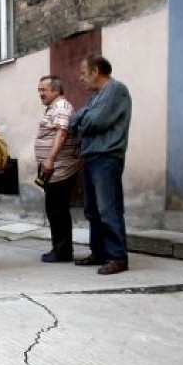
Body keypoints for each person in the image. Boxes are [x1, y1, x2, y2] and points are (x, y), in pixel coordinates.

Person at [70, 54, 133, 275]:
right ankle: (99, 252)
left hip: (107, 156)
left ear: (96, 71)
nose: (81, 78)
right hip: (92, 156)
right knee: (93, 210)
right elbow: (75, 121)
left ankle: (117, 257)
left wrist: (83, 117)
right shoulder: (96, 97)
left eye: (83, 73)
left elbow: (94, 122)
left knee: (108, 208)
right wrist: (84, 116)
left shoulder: (116, 90)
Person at [34, 75, 80, 263]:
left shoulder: (62, 107)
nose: (40, 94)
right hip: (54, 169)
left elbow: (62, 133)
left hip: (60, 168)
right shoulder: (53, 108)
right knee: (54, 210)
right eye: (39, 90)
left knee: (57, 210)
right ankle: (59, 248)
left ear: (55, 90)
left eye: (43, 90)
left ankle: (62, 251)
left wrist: (50, 159)